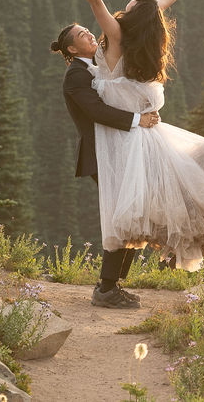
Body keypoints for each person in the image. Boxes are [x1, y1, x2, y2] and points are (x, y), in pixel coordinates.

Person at [58, 0, 204, 278]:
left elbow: (96, 1)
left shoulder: (116, 36)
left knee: (133, 213)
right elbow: (160, 5)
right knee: (140, 209)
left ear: (131, 18)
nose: (124, 7)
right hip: (134, 136)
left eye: (129, 7)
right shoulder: (137, 38)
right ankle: (113, 284)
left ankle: (112, 285)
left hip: (128, 139)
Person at [50, 22, 159, 309]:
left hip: (117, 150)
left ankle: (112, 284)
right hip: (101, 154)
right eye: (82, 35)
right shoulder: (75, 74)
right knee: (121, 214)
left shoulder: (95, 66)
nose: (89, 34)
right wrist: (138, 119)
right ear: (72, 49)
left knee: (130, 212)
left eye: (87, 30)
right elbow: (96, 111)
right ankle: (107, 288)